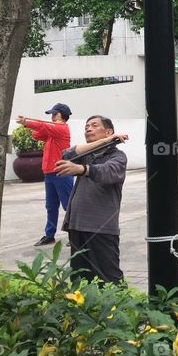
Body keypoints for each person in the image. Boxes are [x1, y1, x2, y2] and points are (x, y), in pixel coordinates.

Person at [55, 116, 128, 284]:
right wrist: (104, 141)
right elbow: (66, 155)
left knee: (109, 278)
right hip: (77, 225)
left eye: (94, 125)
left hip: (101, 227)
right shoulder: (86, 154)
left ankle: (119, 301)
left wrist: (82, 169)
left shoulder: (117, 156)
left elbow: (108, 172)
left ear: (109, 131)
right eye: (86, 126)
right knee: (79, 278)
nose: (88, 128)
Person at [17, 102, 74, 247]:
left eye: (55, 113)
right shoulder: (53, 131)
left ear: (62, 115)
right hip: (49, 173)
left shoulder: (62, 128)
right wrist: (45, 127)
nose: (52, 116)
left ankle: (75, 234)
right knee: (51, 206)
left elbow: (42, 127)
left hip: (61, 172)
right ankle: (50, 235)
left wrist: (27, 122)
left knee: (69, 205)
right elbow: (36, 134)